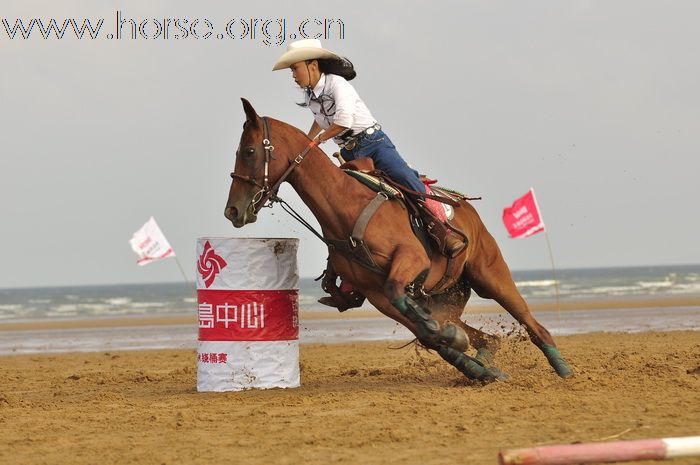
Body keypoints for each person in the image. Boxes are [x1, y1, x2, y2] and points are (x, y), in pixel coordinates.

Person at [272, 39, 466, 310]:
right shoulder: (311, 96)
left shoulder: (339, 85)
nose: (293, 74)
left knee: (408, 182)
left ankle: (444, 232)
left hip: (374, 145)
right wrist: (308, 140)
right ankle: (347, 277)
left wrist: (314, 145)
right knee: (342, 210)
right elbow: (320, 120)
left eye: (295, 68)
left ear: (312, 65)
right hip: (351, 154)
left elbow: (343, 122)